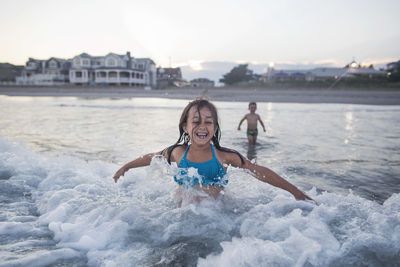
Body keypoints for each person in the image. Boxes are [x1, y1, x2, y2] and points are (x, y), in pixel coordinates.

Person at [113, 98, 312, 203]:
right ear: (185, 126)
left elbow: (259, 171)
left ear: (215, 128)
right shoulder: (177, 152)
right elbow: (151, 158)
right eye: (196, 122)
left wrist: (296, 192)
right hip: (181, 212)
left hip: (214, 214)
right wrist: (126, 167)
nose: (202, 127)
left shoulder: (225, 156)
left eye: (209, 122)